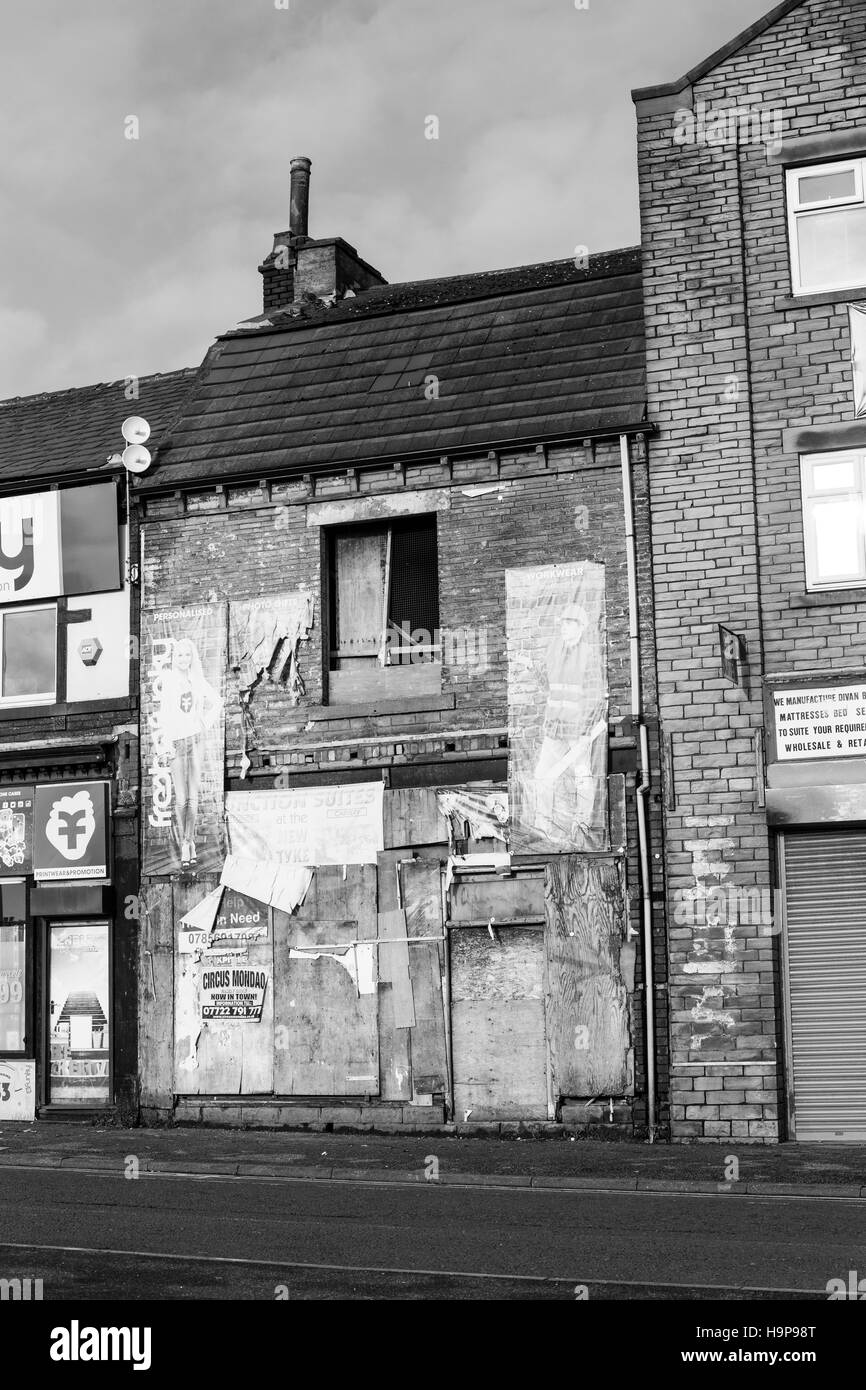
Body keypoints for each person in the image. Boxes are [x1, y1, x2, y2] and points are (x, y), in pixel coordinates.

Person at [157, 636, 222, 870]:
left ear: (191, 657)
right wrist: (165, 744)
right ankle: (187, 841)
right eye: (179, 655)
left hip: (196, 739)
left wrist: (204, 722)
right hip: (177, 741)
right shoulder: (169, 680)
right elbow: (164, 715)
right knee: (182, 798)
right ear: (174, 658)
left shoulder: (197, 681)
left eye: (187, 655)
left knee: (193, 797)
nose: (183, 659)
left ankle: (188, 843)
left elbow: (218, 701)